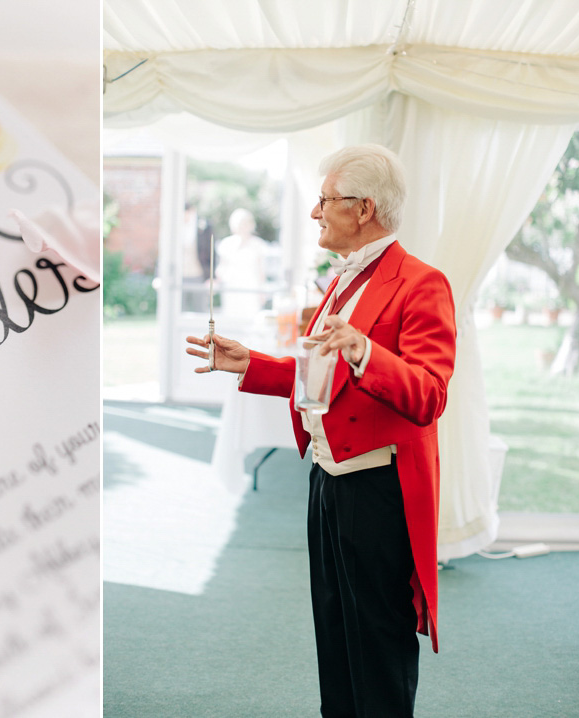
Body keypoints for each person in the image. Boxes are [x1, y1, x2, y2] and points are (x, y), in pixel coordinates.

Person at [186, 144, 456, 718]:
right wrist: (249, 364)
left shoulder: (422, 284)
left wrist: (365, 350)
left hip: (378, 490)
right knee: (334, 635)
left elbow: (429, 395)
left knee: (377, 643)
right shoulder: (339, 281)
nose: (315, 212)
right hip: (328, 480)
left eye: (325, 200)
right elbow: (321, 379)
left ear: (362, 209)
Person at [215, 208, 280, 317]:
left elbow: (261, 270)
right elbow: (222, 267)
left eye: (246, 223)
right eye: (240, 223)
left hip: (251, 288)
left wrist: (262, 291)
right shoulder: (227, 244)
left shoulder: (258, 245)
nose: (243, 227)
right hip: (232, 288)